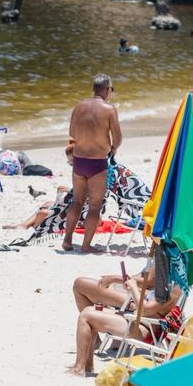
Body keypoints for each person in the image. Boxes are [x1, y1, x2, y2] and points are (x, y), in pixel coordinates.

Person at [69, 273, 179, 376]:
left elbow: (145, 310)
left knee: (86, 316)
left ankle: (79, 368)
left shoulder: (171, 288)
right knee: (90, 310)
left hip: (146, 329)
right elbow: (150, 297)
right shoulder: (172, 282)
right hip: (142, 322)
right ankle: (87, 366)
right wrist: (124, 282)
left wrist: (134, 287)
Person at [62, 74, 122, 254]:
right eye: (110, 90)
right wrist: (112, 148)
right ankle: (86, 245)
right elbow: (117, 138)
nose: (110, 93)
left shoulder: (78, 107)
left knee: (77, 202)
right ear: (106, 89)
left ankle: (67, 240)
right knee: (95, 205)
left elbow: (72, 133)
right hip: (97, 163)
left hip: (79, 161)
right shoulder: (109, 109)